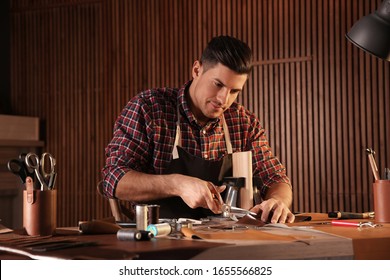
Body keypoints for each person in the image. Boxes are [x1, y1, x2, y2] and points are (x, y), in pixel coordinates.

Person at [102, 35, 294, 223]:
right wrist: (177, 184)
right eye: (218, 84)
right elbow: (114, 179)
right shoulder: (149, 108)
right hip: (160, 242)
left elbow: (276, 178)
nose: (223, 99)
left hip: (228, 242)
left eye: (234, 91)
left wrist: (278, 201)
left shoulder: (244, 123)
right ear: (196, 70)